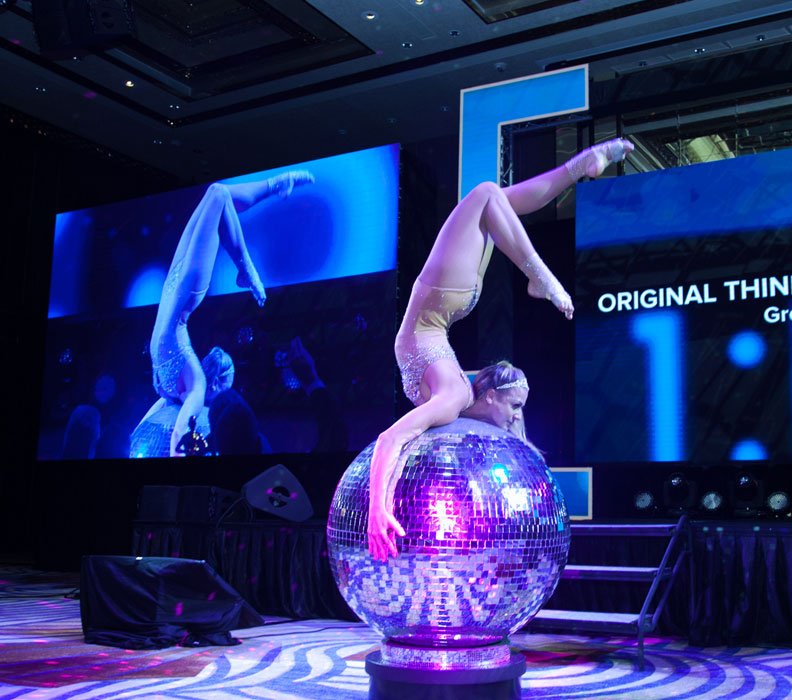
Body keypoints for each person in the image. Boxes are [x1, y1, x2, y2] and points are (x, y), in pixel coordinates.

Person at [368, 137, 633, 560]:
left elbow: (390, 439)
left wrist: (376, 510)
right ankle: (579, 169)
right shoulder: (459, 397)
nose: (516, 415)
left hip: (437, 307)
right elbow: (398, 439)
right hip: (445, 308)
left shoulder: (453, 400)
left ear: (488, 395)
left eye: (515, 407)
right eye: (516, 407)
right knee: (495, 204)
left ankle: (542, 273)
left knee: (488, 196)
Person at [140, 170, 314, 456]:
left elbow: (179, 440)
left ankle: (246, 268)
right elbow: (169, 422)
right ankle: (275, 187)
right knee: (217, 193)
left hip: (181, 287)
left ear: (216, 385)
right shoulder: (187, 385)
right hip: (180, 293)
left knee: (218, 193)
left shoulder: (196, 386)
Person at [461, 361, 530, 441]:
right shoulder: (452, 408)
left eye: (520, 408)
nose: (519, 417)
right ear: (490, 396)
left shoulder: (511, 431)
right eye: (515, 406)